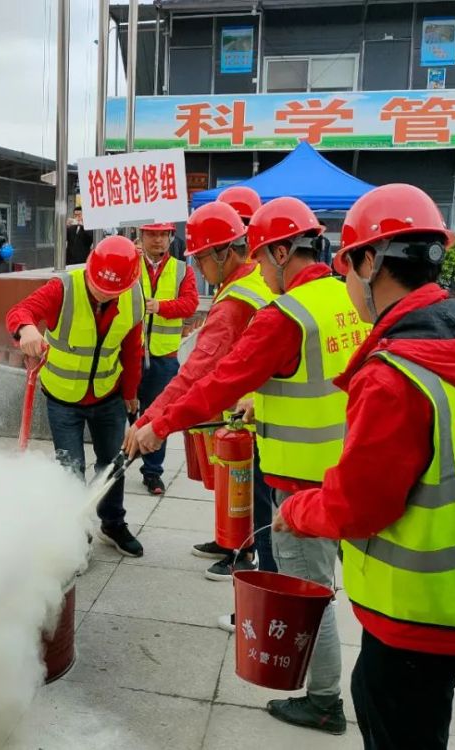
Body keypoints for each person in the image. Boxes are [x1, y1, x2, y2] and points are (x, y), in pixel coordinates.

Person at [273, 183, 455, 750]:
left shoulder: (396, 377)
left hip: (414, 610)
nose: (347, 285)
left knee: (394, 722)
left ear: (370, 261)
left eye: (348, 267)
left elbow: (359, 505)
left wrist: (297, 510)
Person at [126, 196, 370, 735]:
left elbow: (216, 381)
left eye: (261, 257)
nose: (258, 269)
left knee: (312, 595)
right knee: (357, 591)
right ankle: (359, 686)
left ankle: (325, 700)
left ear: (283, 252)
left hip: (304, 484)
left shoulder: (285, 315)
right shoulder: (344, 295)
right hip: (352, 471)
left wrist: (157, 424)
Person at [153, 188, 277, 581]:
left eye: (201, 259)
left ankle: (246, 561)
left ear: (224, 253)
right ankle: (233, 544)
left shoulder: (236, 298)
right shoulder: (252, 277)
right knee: (239, 488)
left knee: (253, 496)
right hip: (254, 405)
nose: (199, 270)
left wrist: (154, 422)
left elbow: (198, 368)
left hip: (257, 409)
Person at [6, 236, 146, 557]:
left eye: (112, 292)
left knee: (113, 464)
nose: (102, 294)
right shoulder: (63, 289)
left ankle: (112, 523)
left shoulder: (134, 295)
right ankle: (74, 532)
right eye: (98, 287)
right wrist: (25, 329)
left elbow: (131, 347)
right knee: (71, 469)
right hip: (63, 399)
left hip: (108, 395)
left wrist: (130, 392)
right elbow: (21, 310)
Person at [136, 221, 199, 495]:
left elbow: (190, 303)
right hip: (129, 353)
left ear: (171, 237)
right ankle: (120, 460)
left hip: (164, 355)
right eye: (152, 234)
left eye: (163, 235)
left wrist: (160, 307)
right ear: (142, 235)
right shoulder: (129, 263)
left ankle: (152, 472)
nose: (158, 240)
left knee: (157, 414)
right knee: (122, 414)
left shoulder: (182, 269)